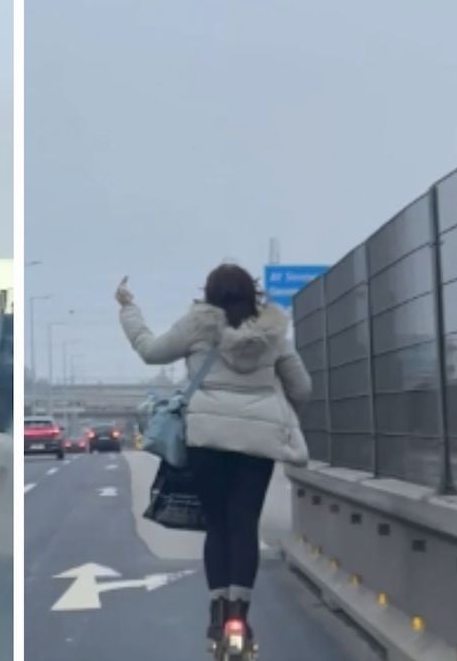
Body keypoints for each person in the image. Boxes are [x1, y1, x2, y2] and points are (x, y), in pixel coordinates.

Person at [115, 264, 311, 645]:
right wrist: (277, 412)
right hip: (257, 446)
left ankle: (218, 611)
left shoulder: (197, 325)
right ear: (252, 294)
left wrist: (128, 308)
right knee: (244, 525)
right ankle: (242, 615)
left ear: (208, 293)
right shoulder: (275, 335)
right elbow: (301, 387)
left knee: (218, 526)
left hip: (206, 442)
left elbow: (150, 351)